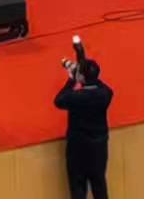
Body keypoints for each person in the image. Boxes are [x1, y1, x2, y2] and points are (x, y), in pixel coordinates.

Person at [55, 56, 114, 199]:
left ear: (81, 77)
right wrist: (86, 77)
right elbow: (103, 86)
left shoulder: (76, 97)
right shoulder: (105, 94)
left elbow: (59, 100)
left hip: (78, 149)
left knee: (78, 187)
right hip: (98, 149)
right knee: (99, 184)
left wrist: (72, 79)